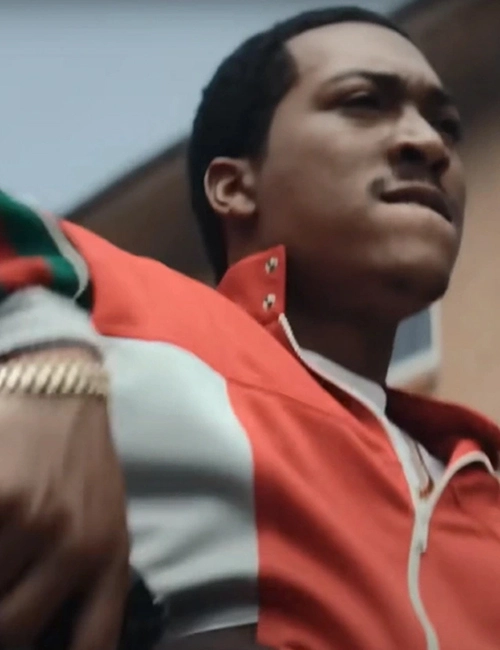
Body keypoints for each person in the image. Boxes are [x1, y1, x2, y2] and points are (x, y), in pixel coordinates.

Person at [0, 5, 499, 650]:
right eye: (363, 102)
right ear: (234, 187)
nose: (428, 143)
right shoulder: (130, 319)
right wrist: (40, 344)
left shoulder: (483, 482)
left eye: (447, 125)